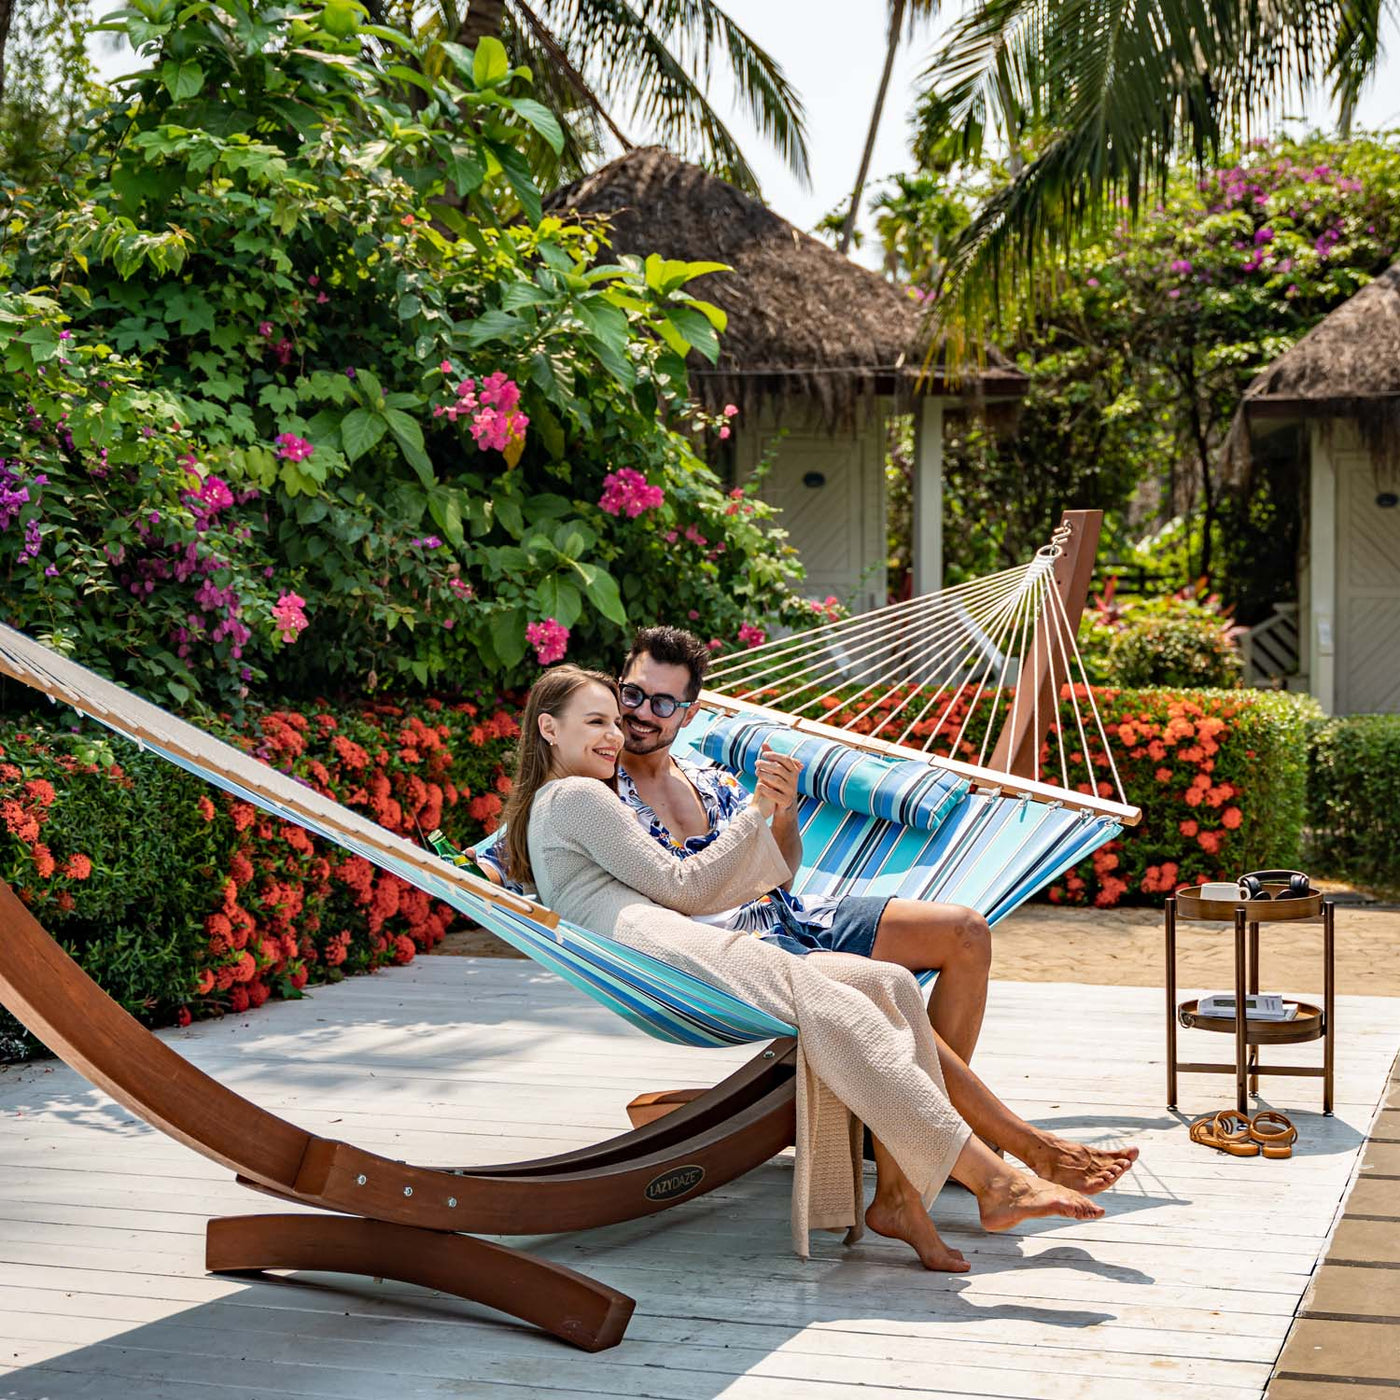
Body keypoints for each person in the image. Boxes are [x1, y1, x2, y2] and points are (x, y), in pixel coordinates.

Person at [501, 664, 1139, 1272]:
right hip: (657, 948)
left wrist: (765, 816)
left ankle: (899, 1201)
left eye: (615, 721)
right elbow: (685, 887)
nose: (615, 735)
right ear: (548, 729)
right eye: (596, 723)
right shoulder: (580, 795)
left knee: (889, 985)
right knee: (836, 1007)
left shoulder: (573, 796)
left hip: (662, 941)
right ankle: (996, 1179)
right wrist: (755, 811)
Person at [477, 626, 990, 1073]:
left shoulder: (712, 781)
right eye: (631, 695)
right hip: (729, 953)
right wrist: (472, 876)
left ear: (688, 714)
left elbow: (779, 877)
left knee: (966, 931)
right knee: (879, 993)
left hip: (790, 919)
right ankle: (940, 1130)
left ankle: (918, 1125)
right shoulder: (595, 781)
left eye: (662, 704)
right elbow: (519, 844)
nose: (637, 716)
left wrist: (783, 810)